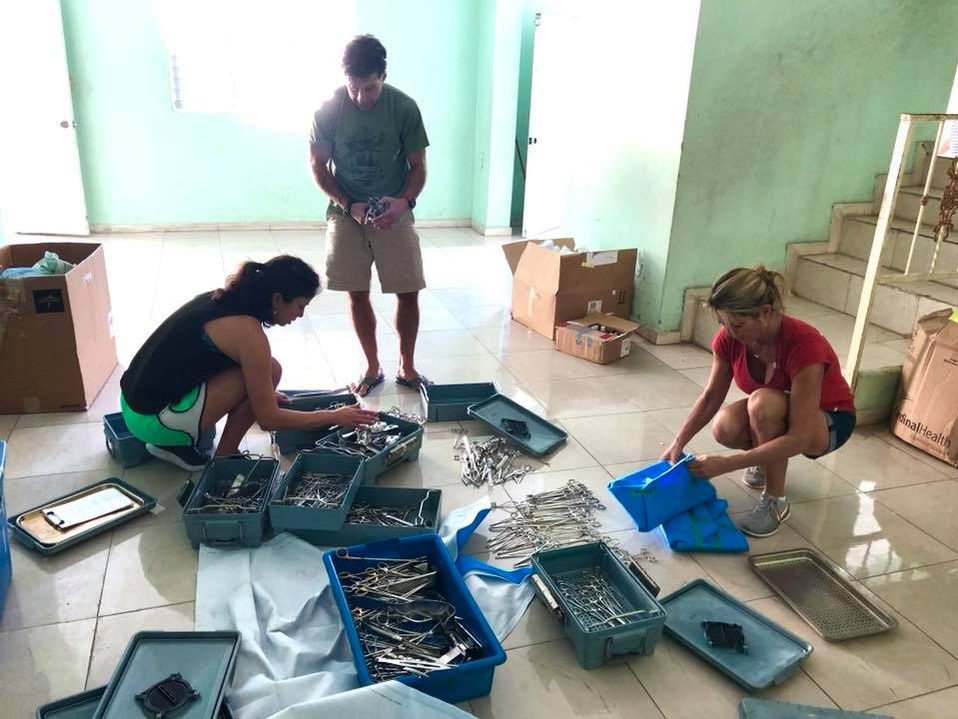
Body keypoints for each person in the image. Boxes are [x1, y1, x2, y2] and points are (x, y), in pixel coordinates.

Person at [119, 255, 379, 471]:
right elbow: (268, 419)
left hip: (132, 404)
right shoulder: (248, 332)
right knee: (266, 372)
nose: (301, 315)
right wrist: (335, 416)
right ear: (277, 299)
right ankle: (221, 463)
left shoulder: (222, 299)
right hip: (152, 420)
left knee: (267, 371)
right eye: (300, 305)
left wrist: (262, 393)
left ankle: (179, 441)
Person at [661, 267, 856, 537]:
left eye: (737, 325)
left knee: (762, 404)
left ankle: (776, 501)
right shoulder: (730, 339)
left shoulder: (805, 344)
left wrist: (727, 464)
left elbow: (799, 438)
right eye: (723, 324)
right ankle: (766, 462)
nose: (729, 332)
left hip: (830, 420)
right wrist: (678, 443)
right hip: (779, 409)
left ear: (765, 313)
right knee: (725, 427)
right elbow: (711, 396)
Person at [308, 34, 430, 397]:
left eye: (371, 88)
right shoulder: (327, 110)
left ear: (383, 76)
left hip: (394, 206)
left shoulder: (404, 108)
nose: (362, 97)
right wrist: (349, 205)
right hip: (345, 210)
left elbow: (418, 166)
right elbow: (318, 166)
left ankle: (407, 367)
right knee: (356, 293)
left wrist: (404, 202)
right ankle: (372, 367)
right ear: (345, 78)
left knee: (408, 291)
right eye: (354, 88)